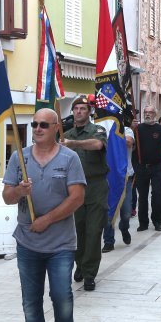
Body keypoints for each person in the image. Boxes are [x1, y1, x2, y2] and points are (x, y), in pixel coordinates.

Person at [2, 108, 86, 322]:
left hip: (61, 243)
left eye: (43, 125)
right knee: (30, 300)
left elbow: (77, 198)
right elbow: (6, 196)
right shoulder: (20, 158)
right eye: (34, 124)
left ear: (56, 128)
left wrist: (46, 220)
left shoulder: (69, 158)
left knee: (61, 295)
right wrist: (19, 190)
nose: (37, 129)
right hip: (27, 242)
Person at [61, 95, 108, 291]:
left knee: (94, 231)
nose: (79, 112)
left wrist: (73, 144)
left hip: (95, 186)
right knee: (77, 231)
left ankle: (89, 273)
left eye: (83, 109)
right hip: (74, 188)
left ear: (89, 112)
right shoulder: (66, 133)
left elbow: (97, 145)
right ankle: (80, 264)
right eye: (76, 109)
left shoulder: (97, 130)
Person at [133, 105, 161, 231]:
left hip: (157, 167)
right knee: (142, 196)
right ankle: (143, 223)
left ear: (155, 114)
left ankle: (157, 220)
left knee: (157, 195)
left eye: (150, 112)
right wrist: (131, 128)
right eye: (146, 112)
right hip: (141, 167)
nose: (148, 114)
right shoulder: (137, 129)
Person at [102, 124, 135, 252]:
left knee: (126, 212)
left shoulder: (126, 130)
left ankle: (124, 228)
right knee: (108, 210)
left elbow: (129, 142)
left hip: (125, 177)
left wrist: (111, 139)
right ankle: (108, 241)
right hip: (107, 176)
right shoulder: (100, 127)